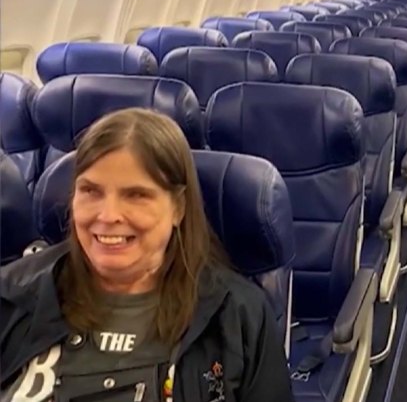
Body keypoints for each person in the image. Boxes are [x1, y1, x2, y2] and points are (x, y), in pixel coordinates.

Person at [0, 108, 294, 402]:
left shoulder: (236, 317)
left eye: (136, 195)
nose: (108, 215)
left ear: (178, 208)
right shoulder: (12, 295)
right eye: (90, 191)